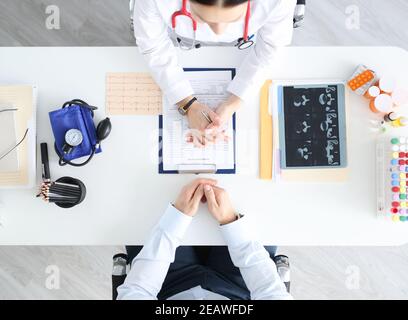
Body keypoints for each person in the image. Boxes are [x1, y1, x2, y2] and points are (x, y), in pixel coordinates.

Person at [133, 0, 297, 146]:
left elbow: (271, 47)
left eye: (233, 19)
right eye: (203, 18)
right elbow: (153, 46)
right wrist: (188, 104)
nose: (218, 32)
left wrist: (233, 103)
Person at [117, 178, 292, 300]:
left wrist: (176, 218)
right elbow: (271, 294)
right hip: (239, 287)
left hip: (166, 286)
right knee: (261, 197)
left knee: (145, 200)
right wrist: (232, 222)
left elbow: (137, 292)